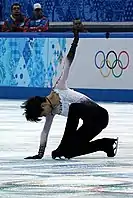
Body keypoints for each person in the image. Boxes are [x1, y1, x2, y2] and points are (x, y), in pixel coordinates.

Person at [21, 24, 118, 160]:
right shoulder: (51, 112)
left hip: (100, 115)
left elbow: (67, 62)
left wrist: (76, 40)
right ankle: (105, 144)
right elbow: (45, 132)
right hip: (91, 125)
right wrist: (40, 154)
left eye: (43, 114)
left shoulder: (59, 87)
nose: (45, 116)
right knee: (67, 152)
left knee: (74, 108)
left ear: (43, 105)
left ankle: (63, 144)